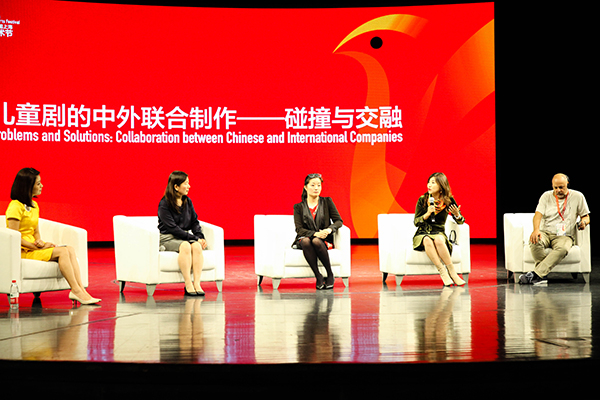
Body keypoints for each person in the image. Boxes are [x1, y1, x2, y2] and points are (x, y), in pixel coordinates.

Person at [5, 168, 101, 305]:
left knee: (70, 249)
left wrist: (40, 242)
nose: (42, 186)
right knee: (62, 252)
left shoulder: (34, 205)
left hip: (33, 247)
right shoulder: (15, 206)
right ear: (28, 186)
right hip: (23, 250)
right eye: (38, 183)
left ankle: (81, 290)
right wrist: (35, 247)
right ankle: (75, 290)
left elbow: (35, 231)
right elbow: (13, 237)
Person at [520, 173, 590, 285]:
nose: (558, 190)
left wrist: (584, 223)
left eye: (561, 187)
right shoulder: (546, 196)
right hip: (546, 232)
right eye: (555, 187)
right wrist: (536, 230)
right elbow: (538, 215)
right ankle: (541, 275)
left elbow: (586, 216)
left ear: (567, 184)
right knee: (534, 241)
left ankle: (537, 275)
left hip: (565, 235)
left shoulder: (578, 196)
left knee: (563, 248)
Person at [158, 171, 207, 296]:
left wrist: (200, 237)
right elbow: (173, 228)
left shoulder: (187, 201)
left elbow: (194, 222)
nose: (189, 186)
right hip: (168, 238)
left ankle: (197, 283)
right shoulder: (164, 204)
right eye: (186, 183)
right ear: (176, 186)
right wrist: (193, 237)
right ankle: (188, 283)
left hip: (183, 236)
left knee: (196, 246)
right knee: (185, 245)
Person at [413, 172, 466, 286]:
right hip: (422, 233)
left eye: (433, 183)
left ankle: (453, 272)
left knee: (438, 239)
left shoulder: (448, 200)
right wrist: (427, 214)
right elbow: (416, 222)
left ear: (441, 186)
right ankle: (443, 272)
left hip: (439, 232)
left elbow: (460, 221)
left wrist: (457, 214)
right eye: (428, 182)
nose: (429, 185)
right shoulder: (423, 199)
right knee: (427, 239)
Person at [293, 173, 343, 290]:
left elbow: (338, 221)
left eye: (319, 185)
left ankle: (329, 274)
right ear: (305, 187)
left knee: (316, 241)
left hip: (323, 239)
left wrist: (329, 229)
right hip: (305, 238)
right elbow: (299, 229)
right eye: (313, 185)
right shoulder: (299, 207)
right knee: (306, 241)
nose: (316, 188)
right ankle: (318, 276)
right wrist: (315, 233)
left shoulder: (327, 202)